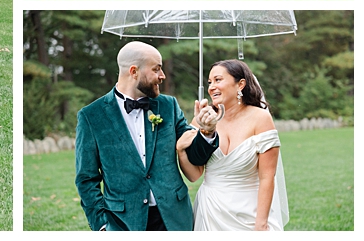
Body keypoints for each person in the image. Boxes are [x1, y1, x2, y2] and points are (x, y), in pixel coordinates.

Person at [75, 40, 215, 231]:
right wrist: (102, 225)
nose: (162, 76)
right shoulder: (91, 116)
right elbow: (86, 178)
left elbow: (193, 152)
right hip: (123, 222)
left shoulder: (169, 106)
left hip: (173, 217)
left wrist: (206, 131)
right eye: (156, 69)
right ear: (134, 72)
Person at [177, 60, 286, 230]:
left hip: (250, 212)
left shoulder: (260, 119)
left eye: (218, 80)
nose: (212, 87)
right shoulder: (202, 120)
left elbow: (267, 177)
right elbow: (194, 175)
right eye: (209, 82)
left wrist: (261, 223)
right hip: (210, 211)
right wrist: (181, 150)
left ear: (240, 84)